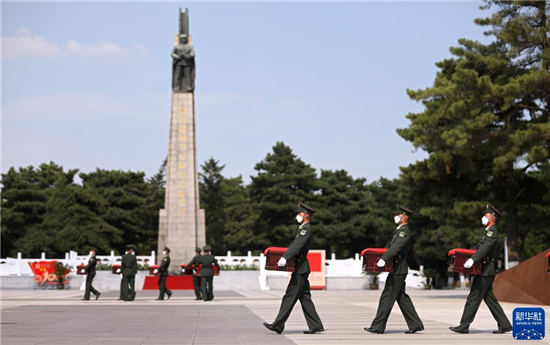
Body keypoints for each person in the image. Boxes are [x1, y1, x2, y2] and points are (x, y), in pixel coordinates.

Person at [449, 203, 512, 334]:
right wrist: (467, 255)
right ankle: (505, 324)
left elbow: (484, 249)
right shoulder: (487, 232)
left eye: (486, 214)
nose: (484, 216)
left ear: (493, 217)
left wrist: (472, 259)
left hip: (486, 269)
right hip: (484, 269)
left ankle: (464, 326)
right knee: (489, 298)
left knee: (474, 296)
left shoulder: (492, 232)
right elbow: (478, 247)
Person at [264, 202, 324, 335]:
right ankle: (316, 325)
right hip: (300, 268)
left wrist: (285, 257)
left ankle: (278, 325)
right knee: (305, 297)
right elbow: (293, 245)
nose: (297, 215)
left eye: (299, 213)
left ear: (306, 215)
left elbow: (297, 245)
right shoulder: (302, 228)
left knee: (290, 296)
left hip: (301, 268)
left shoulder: (306, 228)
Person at [365, 204, 424, 334]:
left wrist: (383, 259)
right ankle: (416, 324)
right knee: (401, 297)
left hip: (399, 268)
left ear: (403, 217)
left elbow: (395, 247)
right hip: (397, 268)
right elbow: (388, 247)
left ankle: (378, 326)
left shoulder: (404, 231)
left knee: (387, 296)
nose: (395, 217)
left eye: (397, 215)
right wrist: (378, 255)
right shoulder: (399, 230)